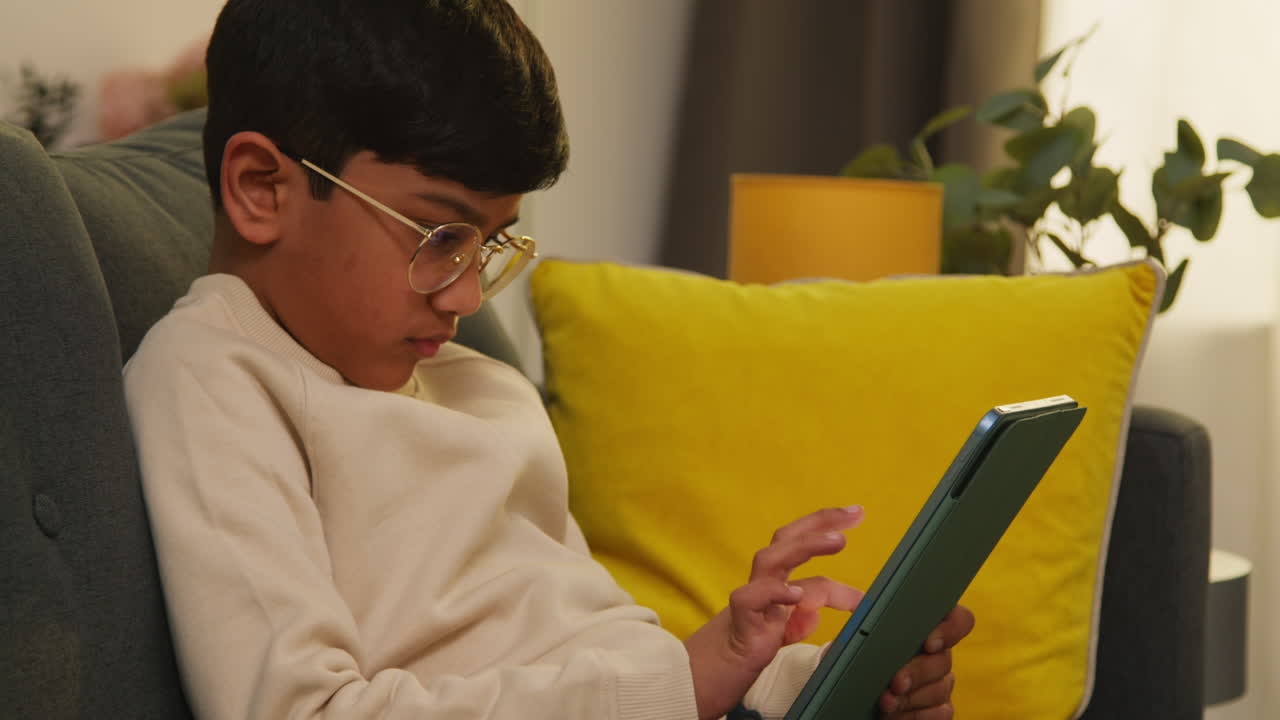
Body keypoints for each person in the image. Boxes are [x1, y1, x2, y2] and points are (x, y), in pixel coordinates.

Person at [123, 1, 974, 719]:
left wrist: (792, 679)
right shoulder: (215, 377)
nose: (465, 298)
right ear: (262, 189)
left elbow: (583, 645)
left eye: (489, 246)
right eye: (438, 235)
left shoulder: (478, 385)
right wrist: (684, 681)